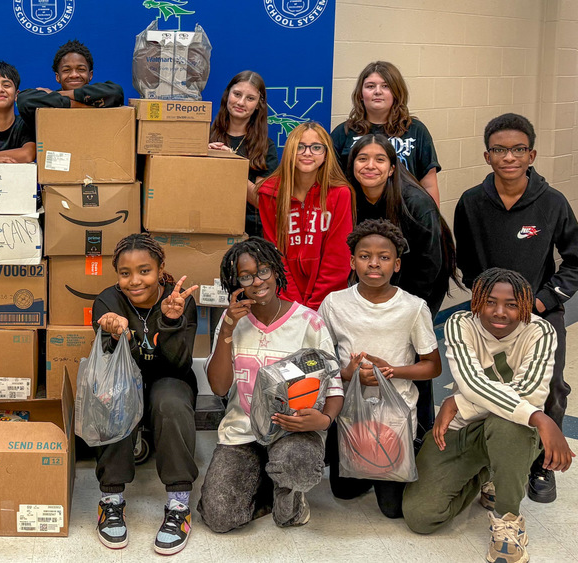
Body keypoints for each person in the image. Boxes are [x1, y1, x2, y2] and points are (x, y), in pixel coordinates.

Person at [403, 268, 574, 563]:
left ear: (524, 305)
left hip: (511, 431)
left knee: (510, 422)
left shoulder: (540, 331)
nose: (499, 312)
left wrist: (459, 402)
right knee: (421, 517)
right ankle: (488, 471)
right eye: (491, 302)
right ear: (477, 301)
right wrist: (541, 418)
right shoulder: (460, 324)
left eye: (511, 304)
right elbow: (471, 382)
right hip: (461, 430)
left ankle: (508, 521)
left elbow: (528, 394)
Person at [454, 113, 578, 504]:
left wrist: (543, 300)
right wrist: (487, 302)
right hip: (488, 313)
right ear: (487, 156)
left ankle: (542, 463)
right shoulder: (471, 202)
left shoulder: (553, 203)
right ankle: (487, 459)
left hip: (539, 310)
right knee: (488, 383)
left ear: (532, 154)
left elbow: (574, 261)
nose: (509, 156)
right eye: (500, 150)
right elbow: (468, 264)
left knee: (551, 387)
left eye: (518, 149)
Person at [197, 238, 343, 533]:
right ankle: (263, 482)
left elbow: (335, 387)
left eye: (263, 271)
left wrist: (324, 419)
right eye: (246, 276)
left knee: (295, 472)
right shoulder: (231, 323)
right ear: (235, 282)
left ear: (276, 271)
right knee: (219, 518)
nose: (257, 281)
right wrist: (227, 328)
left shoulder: (308, 323)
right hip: (243, 432)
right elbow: (219, 387)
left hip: (293, 430)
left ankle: (291, 499)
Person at [318, 219, 441, 519]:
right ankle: (365, 470)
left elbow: (433, 366)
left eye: (384, 258)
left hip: (393, 419)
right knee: (343, 492)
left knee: (392, 510)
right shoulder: (334, 304)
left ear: (396, 265)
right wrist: (348, 374)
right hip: (350, 416)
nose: (374, 264)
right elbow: (320, 360)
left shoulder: (413, 308)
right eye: (364, 256)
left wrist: (392, 372)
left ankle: (400, 464)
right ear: (352, 261)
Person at [91, 234, 199, 555]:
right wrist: (114, 334)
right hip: (126, 380)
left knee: (169, 401)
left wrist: (170, 320)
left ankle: (178, 505)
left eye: (144, 271)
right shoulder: (107, 302)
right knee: (115, 394)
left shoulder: (180, 300)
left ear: (160, 268)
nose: (135, 281)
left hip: (171, 380)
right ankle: (111, 499)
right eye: (125, 273)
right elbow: (108, 367)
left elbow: (179, 363)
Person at [346, 133, 458, 319]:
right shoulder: (349, 198)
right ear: (352, 165)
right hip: (376, 283)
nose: (370, 165)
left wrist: (405, 307)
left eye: (380, 159)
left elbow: (429, 263)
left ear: (391, 169)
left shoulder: (416, 202)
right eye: (363, 159)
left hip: (421, 285)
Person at [257, 121, 354, 310]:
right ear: (289, 151)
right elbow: (274, 254)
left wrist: (316, 306)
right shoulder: (269, 193)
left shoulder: (340, 193)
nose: (307, 153)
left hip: (329, 301)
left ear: (326, 154)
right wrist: (294, 306)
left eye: (316, 147)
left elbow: (338, 258)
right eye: (300, 147)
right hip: (284, 298)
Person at [331, 61, 441, 205]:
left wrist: (432, 221)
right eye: (370, 86)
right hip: (357, 218)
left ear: (397, 93)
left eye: (386, 86)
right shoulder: (343, 132)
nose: (378, 91)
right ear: (360, 94)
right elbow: (333, 185)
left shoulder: (416, 130)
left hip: (405, 216)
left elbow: (429, 184)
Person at [208, 70, 279, 238]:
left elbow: (260, 200)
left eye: (250, 98)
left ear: (258, 104)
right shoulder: (205, 139)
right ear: (227, 95)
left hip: (249, 232)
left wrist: (231, 164)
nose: (241, 102)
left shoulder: (266, 147)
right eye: (237, 94)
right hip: (208, 225)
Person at [17, 39, 124, 132]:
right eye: (67, 70)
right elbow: (24, 99)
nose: (74, 75)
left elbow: (116, 93)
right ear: (57, 77)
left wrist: (58, 94)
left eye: (81, 69)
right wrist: (77, 105)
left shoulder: (101, 94)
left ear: (90, 75)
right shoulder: (47, 99)